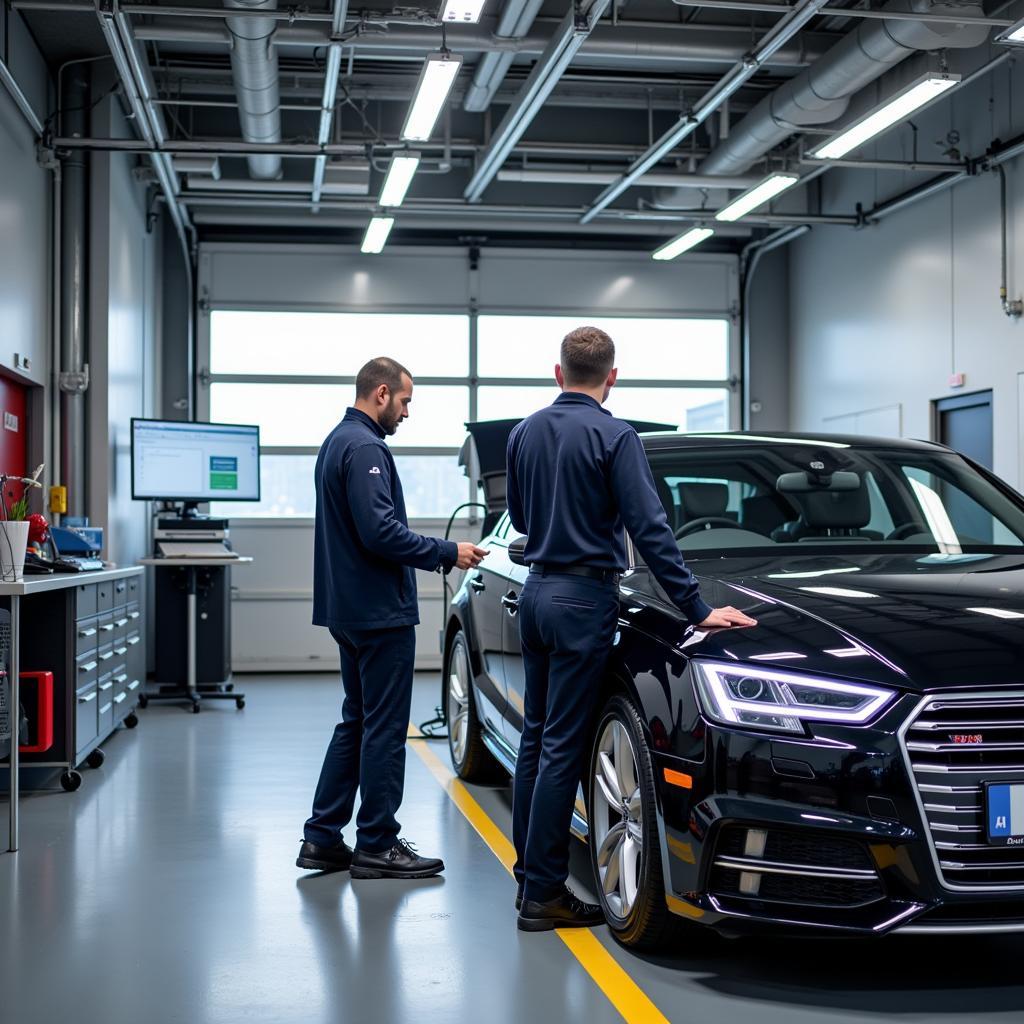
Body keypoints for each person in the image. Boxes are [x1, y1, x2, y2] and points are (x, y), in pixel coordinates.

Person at [506, 326, 757, 931]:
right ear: (612, 378)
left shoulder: (522, 433)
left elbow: (517, 513)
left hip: (537, 591)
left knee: (536, 742)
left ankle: (528, 878)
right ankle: (543, 894)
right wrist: (696, 609)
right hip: (584, 598)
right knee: (565, 745)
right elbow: (650, 530)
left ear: (558, 373)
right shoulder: (617, 436)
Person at [298, 356, 488, 879]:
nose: (406, 413)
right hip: (378, 612)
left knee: (357, 720)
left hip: (349, 609)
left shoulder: (338, 440)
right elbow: (379, 532)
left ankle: (321, 838)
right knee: (383, 728)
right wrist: (448, 551)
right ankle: (377, 843)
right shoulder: (364, 448)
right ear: (381, 393)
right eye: (404, 402)